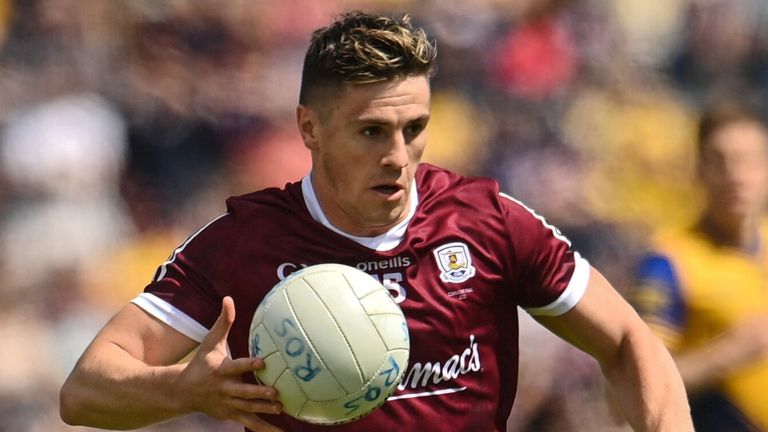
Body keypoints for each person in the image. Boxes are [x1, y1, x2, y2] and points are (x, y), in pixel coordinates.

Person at [60, 11, 692, 432]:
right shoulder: (242, 244)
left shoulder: (489, 222)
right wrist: (185, 391)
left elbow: (630, 342)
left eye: (413, 129)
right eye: (370, 132)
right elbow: (84, 391)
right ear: (310, 126)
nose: (397, 156)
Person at [631, 100, 768, 431]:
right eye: (719, 162)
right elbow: (637, 387)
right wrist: (725, 354)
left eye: (748, 160)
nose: (735, 175)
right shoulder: (669, 261)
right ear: (699, 171)